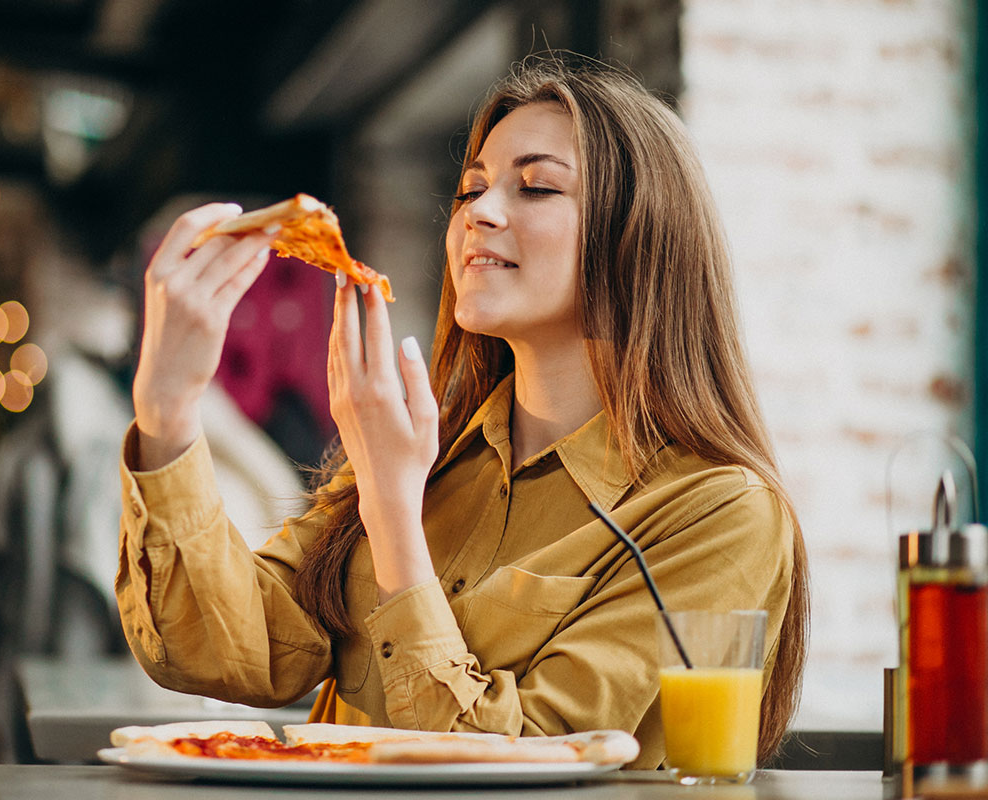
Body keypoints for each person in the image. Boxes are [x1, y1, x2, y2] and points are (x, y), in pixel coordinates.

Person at [115, 54, 809, 768]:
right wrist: (168, 409)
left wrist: (391, 508)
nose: (479, 210)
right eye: (471, 188)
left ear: (637, 234)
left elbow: (531, 762)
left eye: (535, 187)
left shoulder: (721, 513)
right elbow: (220, 651)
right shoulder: (432, 455)